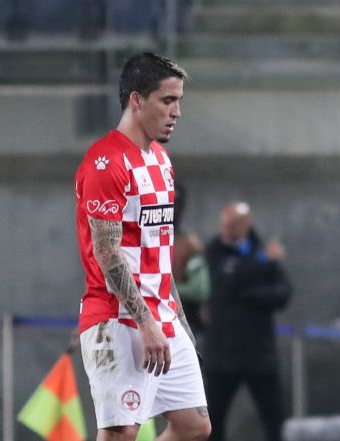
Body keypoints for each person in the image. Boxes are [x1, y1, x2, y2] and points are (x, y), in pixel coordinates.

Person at [73, 52, 211, 441]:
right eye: (167, 100)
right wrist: (146, 323)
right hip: (118, 320)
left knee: (194, 427)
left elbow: (159, 257)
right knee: (120, 434)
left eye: (178, 101)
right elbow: (107, 252)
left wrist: (179, 323)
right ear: (136, 100)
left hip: (162, 316)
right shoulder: (105, 162)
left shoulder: (162, 161)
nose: (177, 112)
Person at [204, 201, 292, 441]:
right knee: (213, 420)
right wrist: (262, 261)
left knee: (274, 418)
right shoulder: (215, 251)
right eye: (225, 224)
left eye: (233, 225)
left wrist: (251, 296)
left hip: (259, 354)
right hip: (223, 356)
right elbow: (226, 283)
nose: (226, 230)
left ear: (246, 225)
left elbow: (283, 292)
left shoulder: (259, 251)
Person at [172, 184, 210, 337]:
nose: (173, 209)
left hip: (182, 318)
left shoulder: (189, 244)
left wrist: (165, 291)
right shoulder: (141, 241)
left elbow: (200, 289)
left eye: (176, 204)